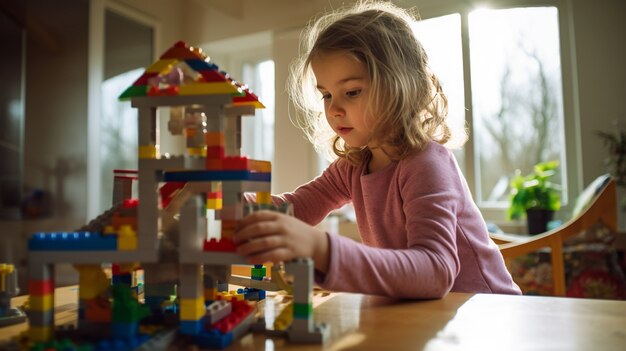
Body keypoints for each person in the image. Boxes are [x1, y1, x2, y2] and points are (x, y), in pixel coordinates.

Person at [234, 0, 521, 298]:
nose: (333, 109)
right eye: (327, 94)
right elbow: (294, 209)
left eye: (352, 92)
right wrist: (227, 193)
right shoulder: (353, 166)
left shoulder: (425, 164)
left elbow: (435, 271)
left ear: (401, 86)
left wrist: (322, 248)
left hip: (486, 313)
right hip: (425, 315)